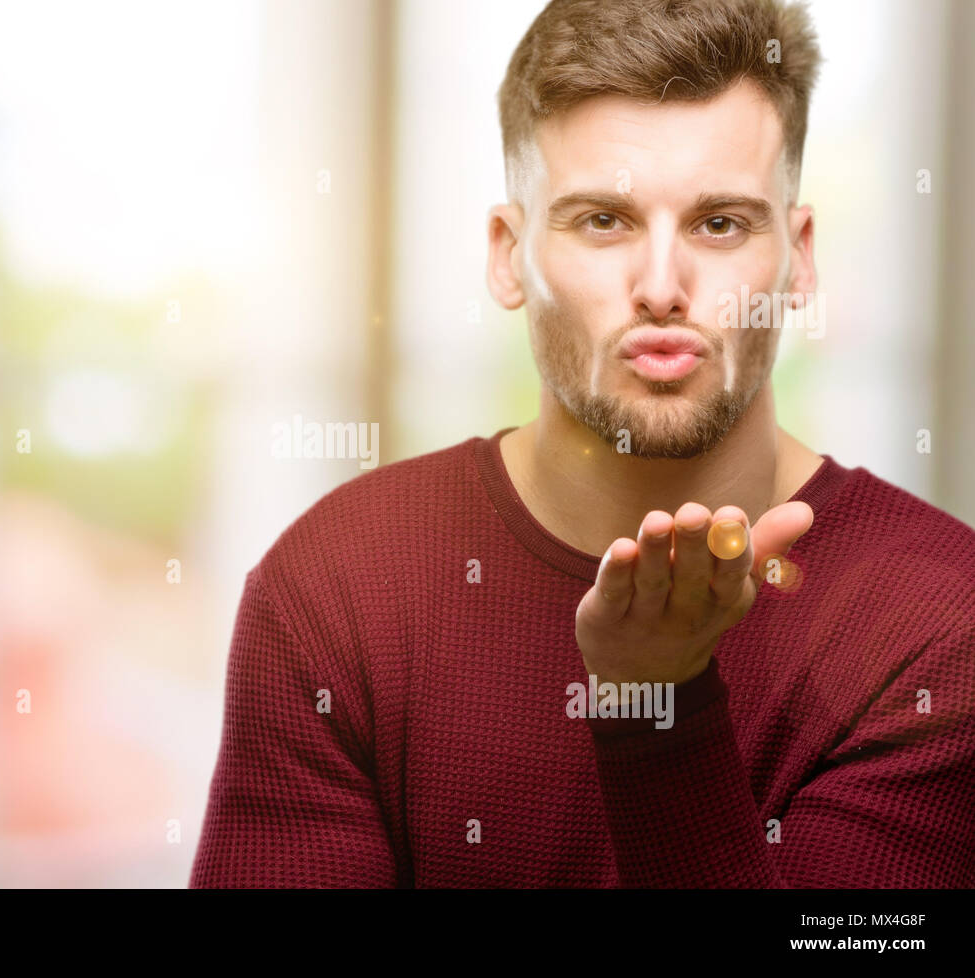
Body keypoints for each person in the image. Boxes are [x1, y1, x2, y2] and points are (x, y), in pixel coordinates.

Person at [190, 0, 975, 887]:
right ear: (507, 255)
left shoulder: (944, 622)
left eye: (720, 223)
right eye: (603, 220)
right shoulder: (335, 585)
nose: (662, 286)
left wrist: (657, 698)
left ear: (798, 259)